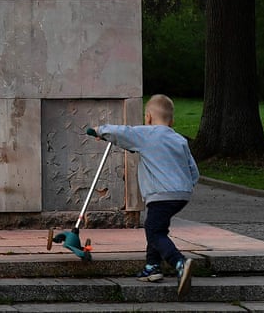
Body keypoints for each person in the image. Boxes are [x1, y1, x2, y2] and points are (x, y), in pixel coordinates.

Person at [86, 93, 200, 299]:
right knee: (155, 227)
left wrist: (99, 131)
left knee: (154, 231)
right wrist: (185, 186)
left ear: (148, 117)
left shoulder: (148, 134)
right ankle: (152, 266)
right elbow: (194, 170)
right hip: (181, 194)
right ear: (171, 120)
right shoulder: (179, 139)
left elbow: (123, 132)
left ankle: (179, 262)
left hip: (161, 194)